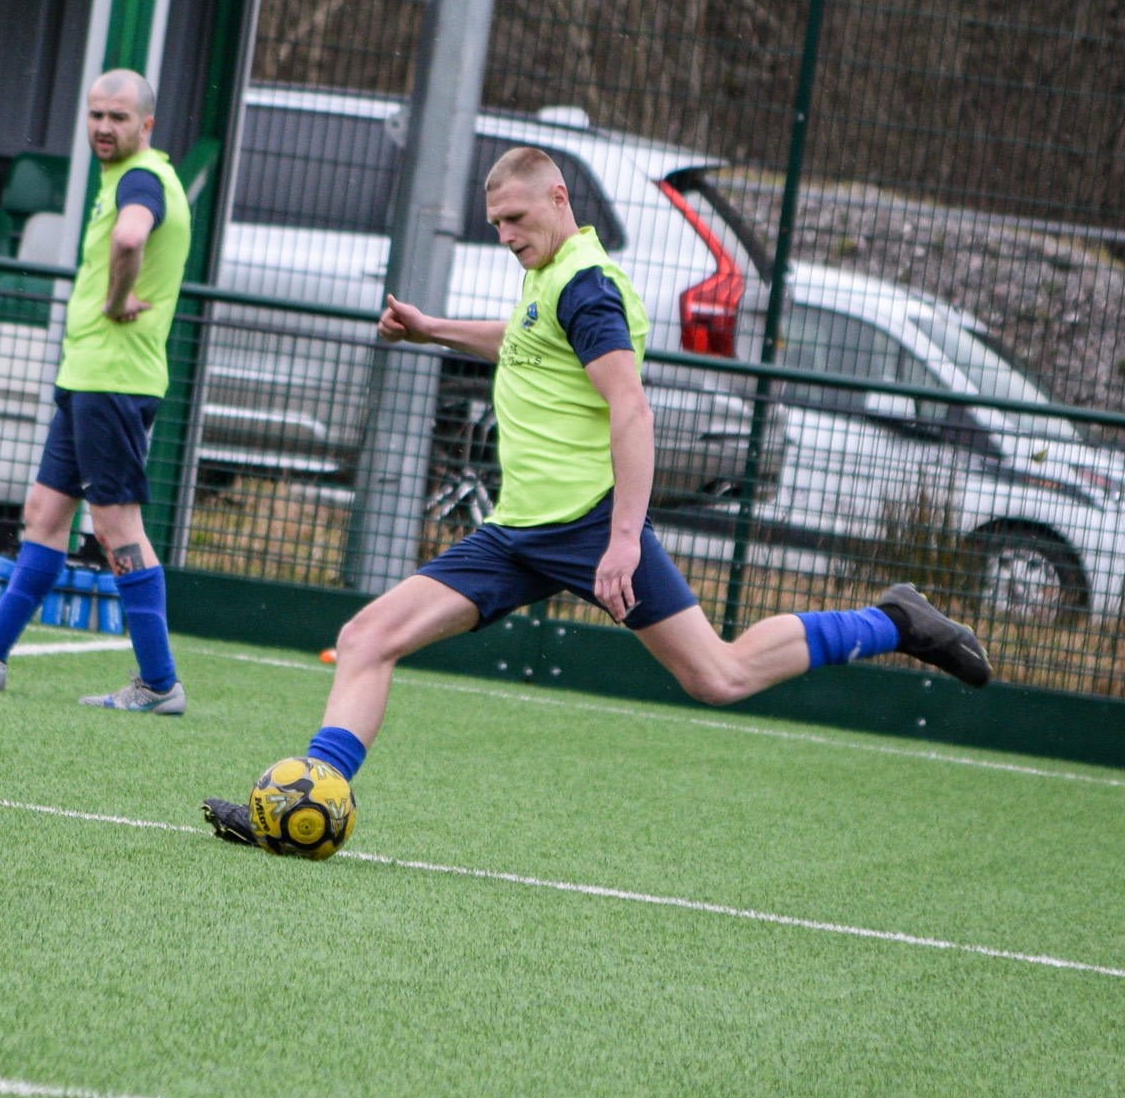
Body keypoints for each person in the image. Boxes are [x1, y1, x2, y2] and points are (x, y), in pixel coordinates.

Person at [202, 144, 991, 851]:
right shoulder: (549, 279)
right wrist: (432, 329)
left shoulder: (587, 288)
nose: (506, 235)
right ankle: (304, 805)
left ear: (557, 201)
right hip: (517, 534)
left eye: (514, 218)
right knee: (369, 635)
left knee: (717, 676)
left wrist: (622, 537)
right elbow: (520, 340)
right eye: (495, 224)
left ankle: (893, 620)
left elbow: (630, 408)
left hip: (586, 527)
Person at [0, 67, 192, 712]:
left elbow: (131, 236)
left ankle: (158, 683)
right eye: (95, 114)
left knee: (116, 522)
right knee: (45, 513)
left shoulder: (142, 178)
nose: (102, 127)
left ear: (146, 124)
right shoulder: (128, 176)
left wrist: (118, 298)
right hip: (89, 378)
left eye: (118, 117)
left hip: (114, 380)